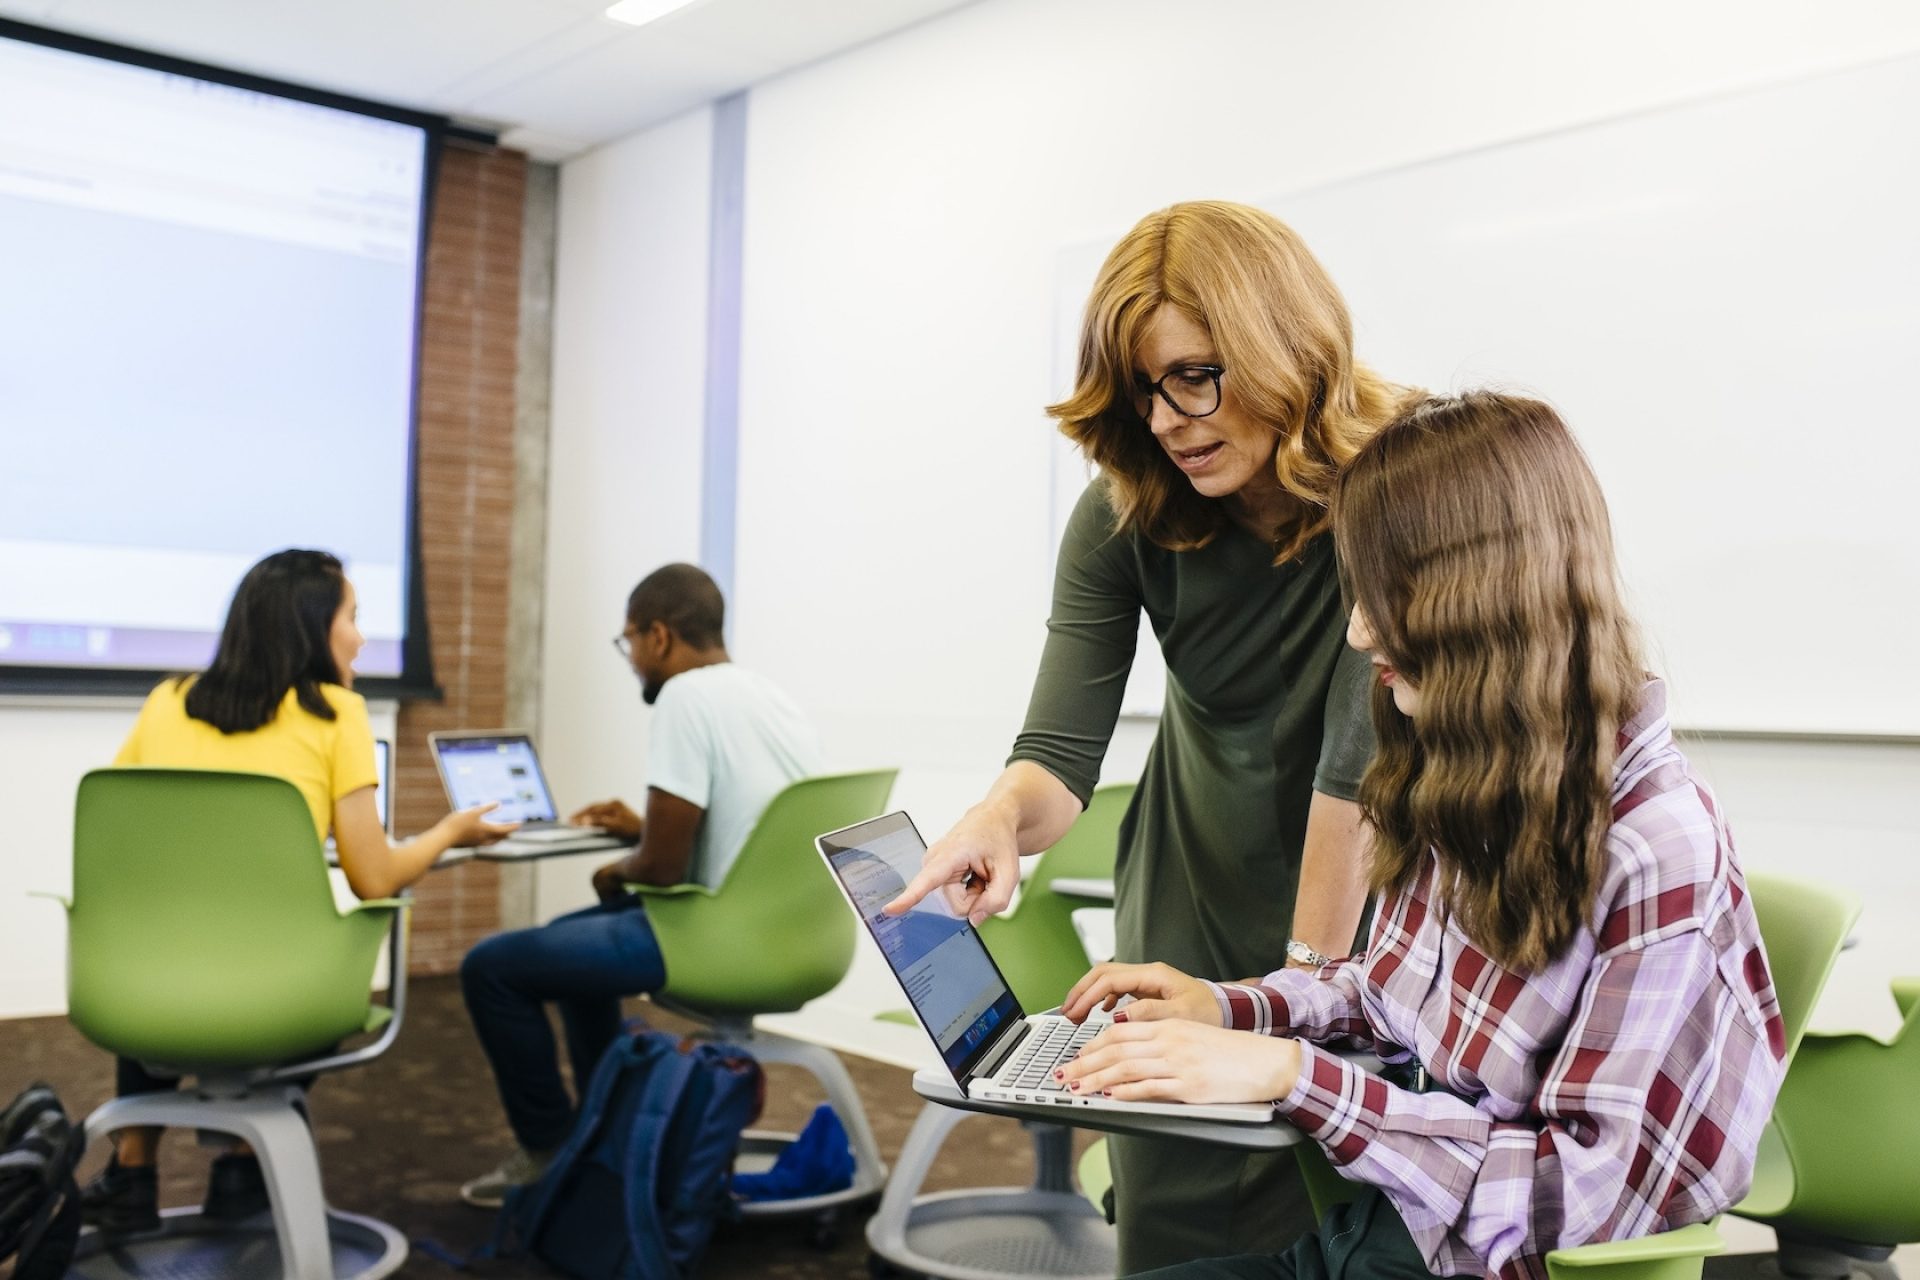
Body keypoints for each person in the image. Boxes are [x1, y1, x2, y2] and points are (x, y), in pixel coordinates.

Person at [1058, 393, 1787, 1279]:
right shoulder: (1467, 769)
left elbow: (1581, 1193)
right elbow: (1390, 999)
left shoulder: (1653, 845)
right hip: (1393, 1232)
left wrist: (1295, 1076)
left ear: (1480, 598)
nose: (1358, 629)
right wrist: (1232, 1009)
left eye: (1381, 595)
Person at [886, 200, 1418, 1267]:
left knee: (1331, 1172)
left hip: (1368, 873)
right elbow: (1058, 753)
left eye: (1196, 376)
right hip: (1193, 869)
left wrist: (1290, 1003)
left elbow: (1352, 780)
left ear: (1283, 345)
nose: (1169, 420)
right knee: (1173, 1180)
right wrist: (997, 817)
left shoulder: (1399, 480)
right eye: (1143, 390)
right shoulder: (1125, 507)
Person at [81, 548, 517, 1235]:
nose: (362, 638)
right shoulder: (338, 714)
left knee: (170, 941)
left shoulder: (166, 701)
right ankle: (240, 1167)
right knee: (295, 965)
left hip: (139, 983)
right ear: (312, 627)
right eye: (353, 618)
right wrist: (449, 832)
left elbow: (126, 841)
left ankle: (132, 1172)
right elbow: (374, 877)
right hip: (280, 994)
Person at [457, 562, 822, 1207]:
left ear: (658, 636)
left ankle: (549, 1152)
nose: (630, 659)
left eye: (628, 640)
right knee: (566, 946)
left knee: (491, 967)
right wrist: (642, 829)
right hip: (800, 937)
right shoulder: (770, 699)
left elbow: (660, 870)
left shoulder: (684, 696)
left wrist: (617, 867)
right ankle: (607, 1138)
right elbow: (746, 829)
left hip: (712, 940)